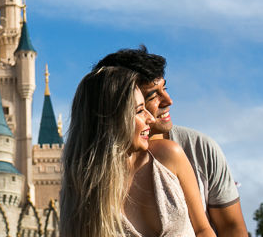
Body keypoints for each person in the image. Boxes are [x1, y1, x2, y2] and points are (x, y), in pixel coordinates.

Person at [94, 48, 248, 237]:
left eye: (164, 89)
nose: (168, 100)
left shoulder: (200, 149)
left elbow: (231, 227)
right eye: (152, 96)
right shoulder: (91, 172)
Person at [60, 66, 216, 237]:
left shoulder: (169, 155)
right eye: (140, 110)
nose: (150, 118)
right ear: (112, 121)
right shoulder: (84, 195)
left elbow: (203, 230)